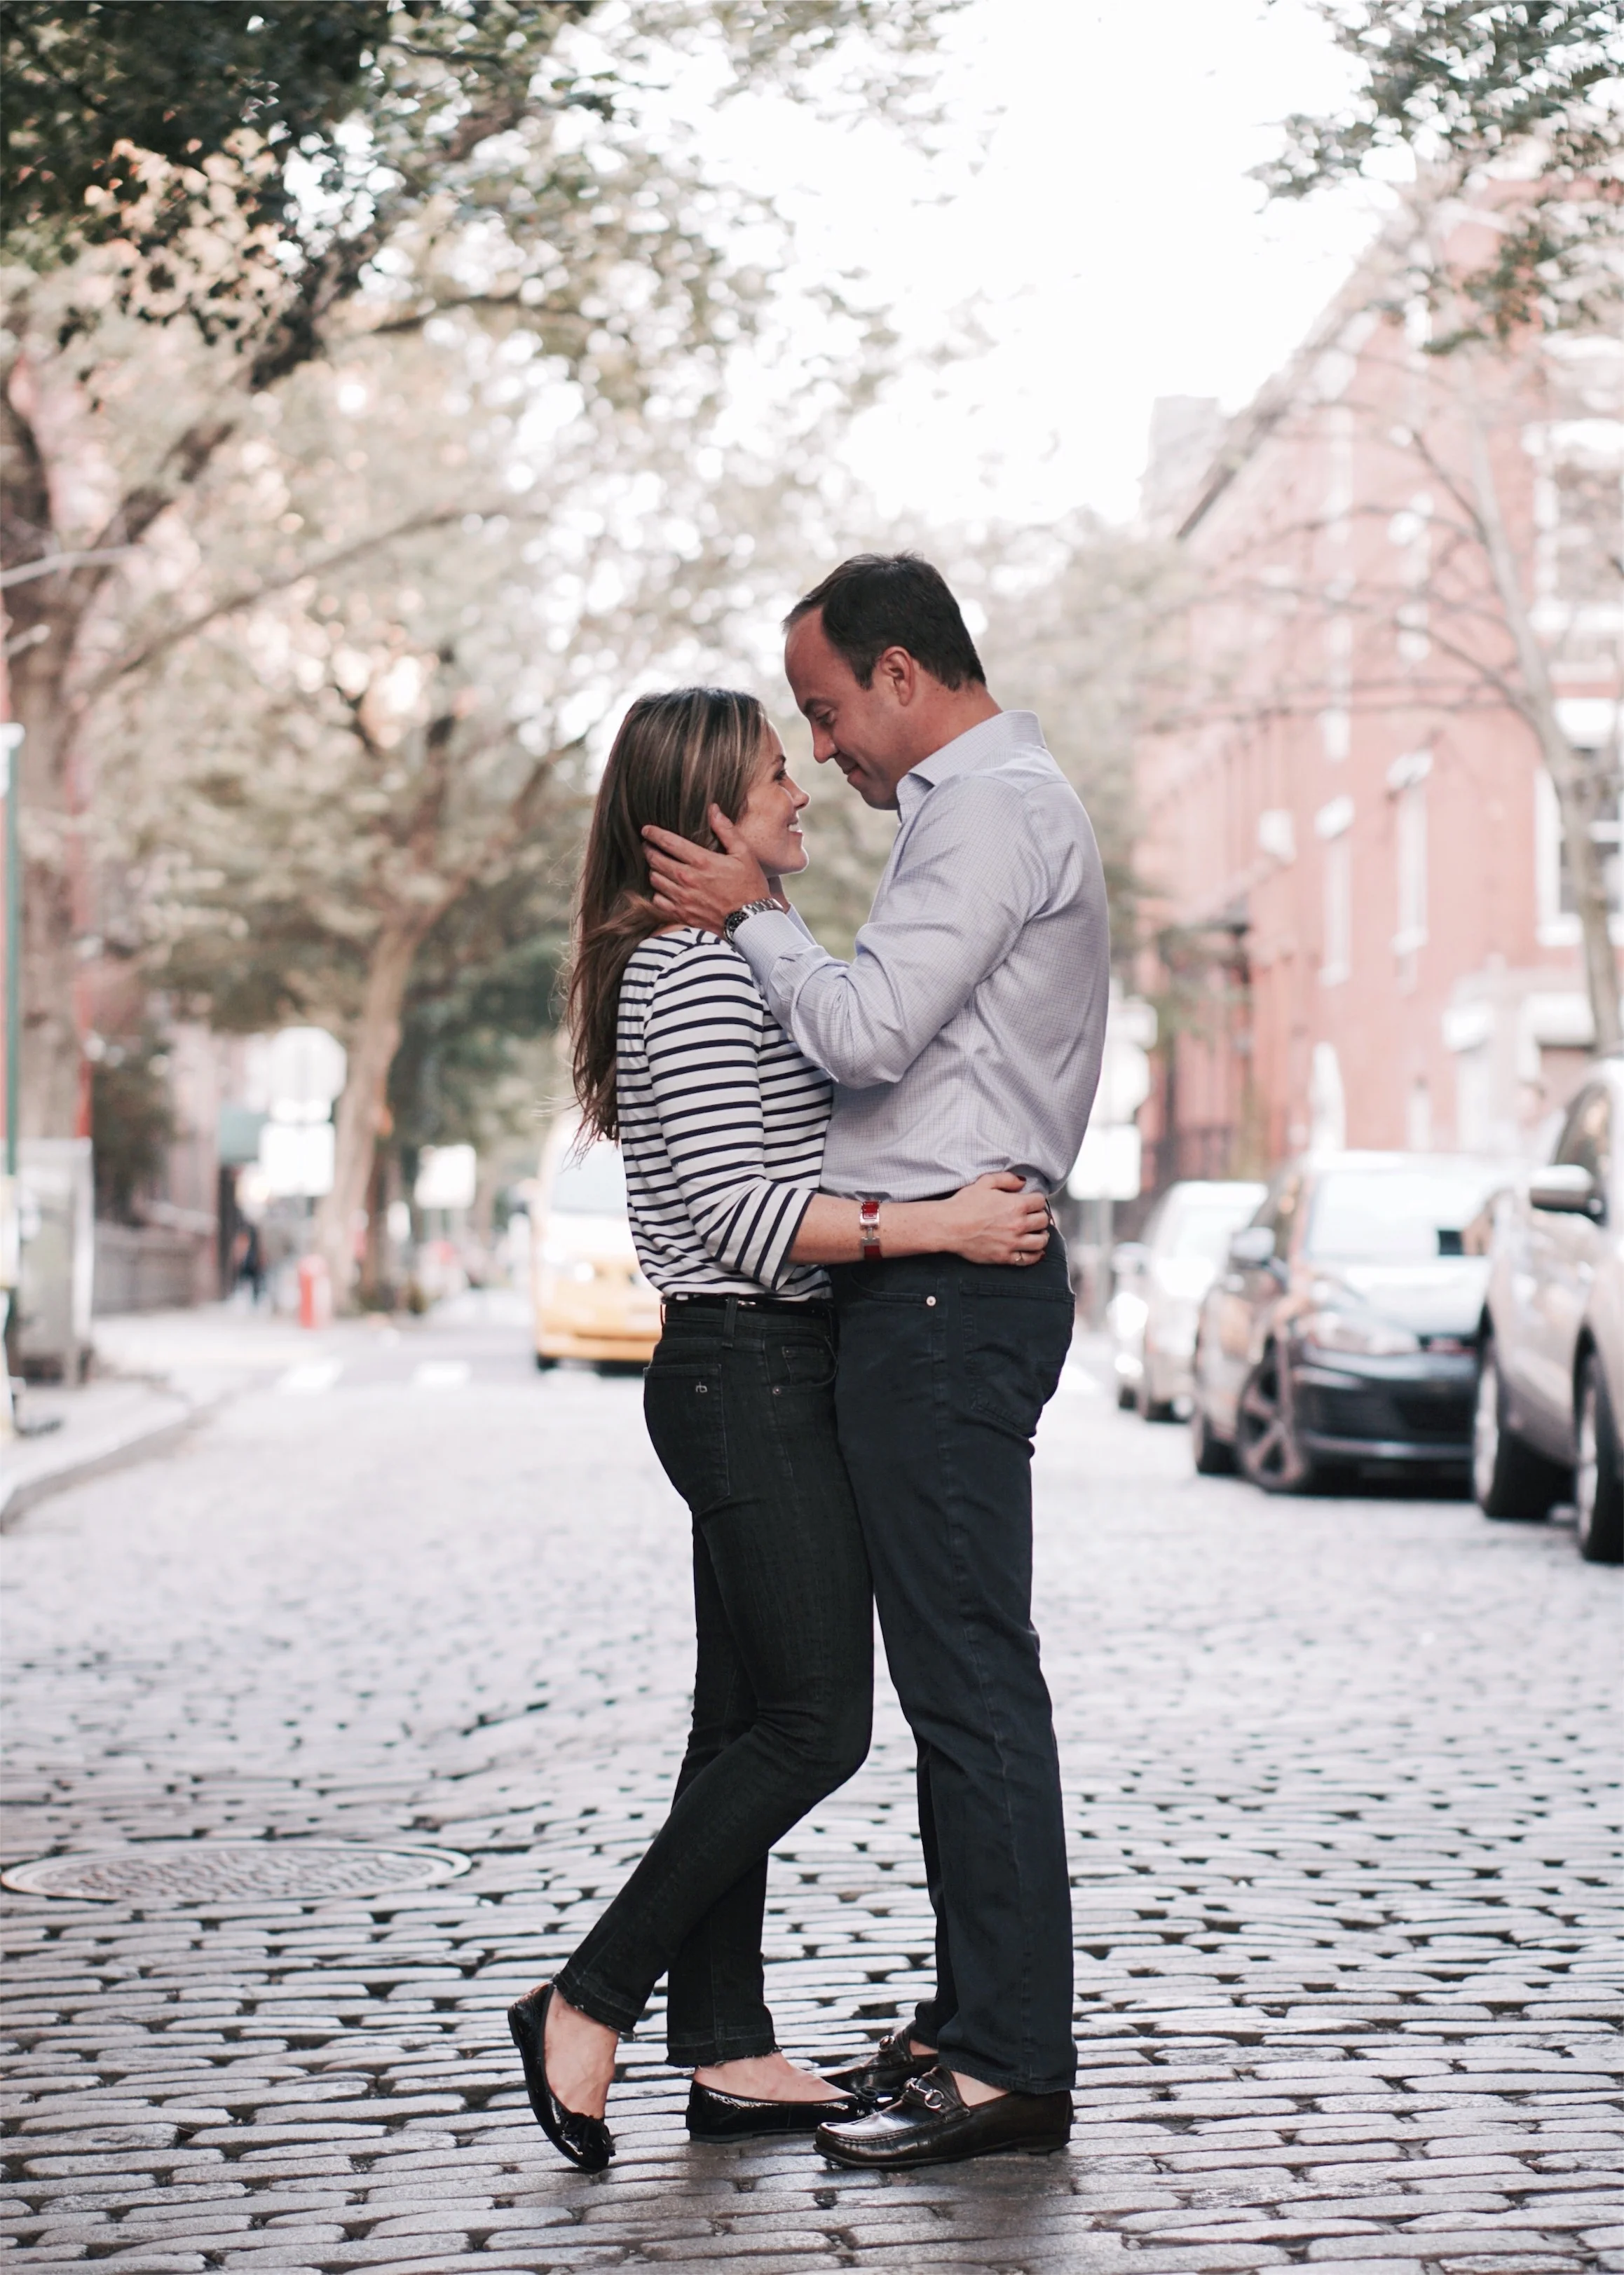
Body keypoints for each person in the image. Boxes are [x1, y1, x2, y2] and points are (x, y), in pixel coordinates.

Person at [509, 684, 1053, 2173]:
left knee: (739, 1725)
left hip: (765, 1372)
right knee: (818, 1725)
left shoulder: (726, 953)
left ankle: (729, 2043)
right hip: (743, 1372)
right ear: (704, 822)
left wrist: (766, 922)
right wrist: (937, 1219)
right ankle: (587, 1994)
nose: (802, 793)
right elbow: (750, 1217)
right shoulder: (682, 977)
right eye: (770, 779)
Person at [643, 555, 1109, 2171]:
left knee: (968, 1676)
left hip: (948, 1305)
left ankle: (1009, 2056)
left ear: (903, 678)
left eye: (831, 710)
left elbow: (864, 1037)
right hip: (915, 1295)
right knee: (941, 1678)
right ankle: (983, 2011)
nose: (824, 749)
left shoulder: (990, 812)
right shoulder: (962, 815)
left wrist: (761, 920)